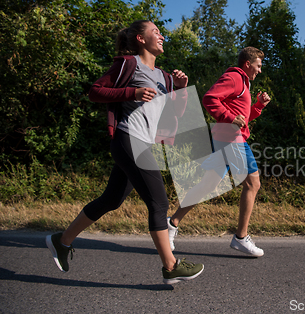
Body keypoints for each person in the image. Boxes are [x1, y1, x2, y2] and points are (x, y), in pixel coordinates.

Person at [45, 20, 204, 284]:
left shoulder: (165, 76)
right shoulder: (128, 64)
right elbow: (95, 92)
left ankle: (61, 241)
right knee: (159, 202)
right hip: (129, 138)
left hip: (144, 142)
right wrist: (132, 92)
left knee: (112, 200)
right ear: (141, 39)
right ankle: (171, 266)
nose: (161, 35)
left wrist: (180, 88)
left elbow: (174, 115)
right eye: (155, 31)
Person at [167, 46, 270, 257]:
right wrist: (230, 118)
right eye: (258, 66)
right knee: (253, 183)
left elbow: (243, 117)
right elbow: (209, 98)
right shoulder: (234, 77)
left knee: (208, 184)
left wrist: (258, 106)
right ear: (248, 64)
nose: (260, 71)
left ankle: (172, 223)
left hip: (225, 137)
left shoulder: (244, 83)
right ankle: (241, 237)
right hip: (232, 139)